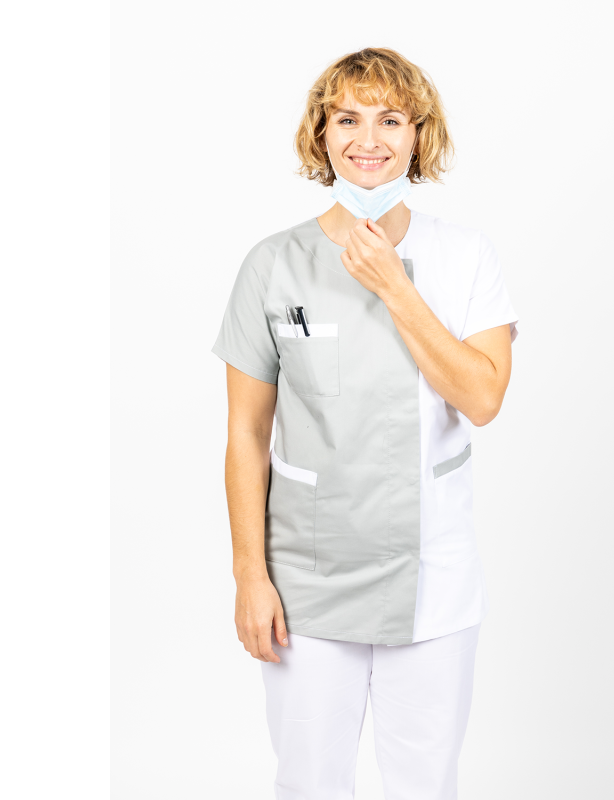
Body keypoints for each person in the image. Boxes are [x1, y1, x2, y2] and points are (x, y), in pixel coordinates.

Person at [211, 47, 519, 800]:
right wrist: (249, 576)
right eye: (347, 119)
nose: (368, 139)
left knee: (424, 784)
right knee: (309, 783)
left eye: (390, 119)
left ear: (419, 135)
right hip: (307, 583)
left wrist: (394, 288)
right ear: (321, 135)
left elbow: (483, 399)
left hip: (432, 580)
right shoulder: (272, 264)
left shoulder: (464, 257)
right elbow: (246, 436)